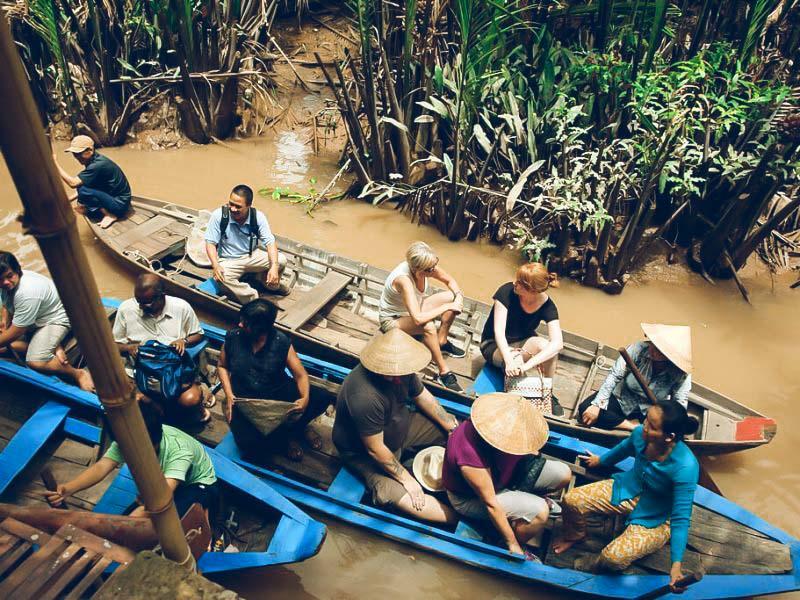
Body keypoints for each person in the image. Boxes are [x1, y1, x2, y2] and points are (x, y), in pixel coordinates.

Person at [552, 402, 700, 594]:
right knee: (572, 500)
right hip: (627, 489)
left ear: (669, 437)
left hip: (658, 517)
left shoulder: (686, 467)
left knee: (613, 558)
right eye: (646, 420)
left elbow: (681, 519)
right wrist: (600, 460)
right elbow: (623, 449)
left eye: (652, 426)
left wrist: (676, 565)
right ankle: (576, 534)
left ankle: (595, 562)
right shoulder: (640, 434)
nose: (643, 426)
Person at [332, 328, 459, 523]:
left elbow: (423, 396)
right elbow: (375, 449)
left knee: (456, 435)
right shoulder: (365, 395)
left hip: (400, 427)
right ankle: (457, 519)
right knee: (409, 499)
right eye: (392, 374)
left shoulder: (403, 369)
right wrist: (407, 480)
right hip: (364, 454)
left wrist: (450, 425)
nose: (399, 378)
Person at [442, 392, 571, 557]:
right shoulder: (469, 451)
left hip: (506, 477)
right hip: (471, 498)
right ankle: (508, 540)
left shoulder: (514, 435)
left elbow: (534, 451)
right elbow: (491, 503)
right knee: (540, 512)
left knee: (563, 473)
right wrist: (513, 544)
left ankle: (522, 502)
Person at [45, 400, 219, 520]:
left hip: (198, 484)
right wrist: (68, 489)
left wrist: (144, 507)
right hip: (162, 479)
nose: (125, 451)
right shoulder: (129, 439)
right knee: (133, 521)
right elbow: (102, 466)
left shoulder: (180, 451)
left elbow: (165, 492)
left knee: (161, 524)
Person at [218, 299, 329, 461]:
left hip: (276, 391)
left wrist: (304, 398)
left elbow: (300, 375)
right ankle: (285, 438)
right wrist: (228, 394)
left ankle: (293, 430)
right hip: (244, 399)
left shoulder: (280, 342)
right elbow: (222, 366)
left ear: (261, 329)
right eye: (242, 320)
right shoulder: (233, 338)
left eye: (246, 323)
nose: (240, 325)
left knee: (321, 397)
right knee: (247, 445)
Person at [112, 273, 210, 424]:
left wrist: (183, 340)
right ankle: (157, 409)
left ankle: (195, 399)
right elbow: (114, 345)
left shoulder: (181, 307)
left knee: (190, 401)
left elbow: (198, 334)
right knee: (130, 402)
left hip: (174, 372)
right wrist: (129, 347)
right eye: (139, 302)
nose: (142, 307)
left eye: (147, 303)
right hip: (140, 371)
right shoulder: (126, 309)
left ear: (161, 296)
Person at [378, 241, 465, 392]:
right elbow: (418, 319)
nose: (434, 271)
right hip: (393, 319)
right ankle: (443, 372)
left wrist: (458, 297)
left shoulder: (427, 266)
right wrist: (446, 307)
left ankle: (442, 341)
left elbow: (450, 281)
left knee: (450, 296)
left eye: (434, 267)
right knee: (428, 326)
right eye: (430, 269)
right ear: (417, 269)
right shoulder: (403, 279)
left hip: (414, 308)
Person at [0, 251, 93, 391]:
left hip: (57, 318)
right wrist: (4, 324)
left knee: (35, 361)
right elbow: (7, 305)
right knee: (4, 344)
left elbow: (18, 330)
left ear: (17, 270)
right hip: (38, 317)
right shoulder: (10, 284)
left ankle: (77, 374)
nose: (5, 282)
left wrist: (7, 333)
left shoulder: (26, 292)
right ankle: (55, 346)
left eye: (9, 276)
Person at [578, 323, 692, 431]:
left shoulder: (681, 374)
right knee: (586, 409)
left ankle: (623, 424)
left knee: (662, 431)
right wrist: (597, 405)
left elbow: (679, 403)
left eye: (661, 351)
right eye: (654, 345)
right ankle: (634, 427)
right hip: (621, 399)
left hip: (649, 410)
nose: (654, 351)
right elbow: (614, 376)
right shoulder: (638, 349)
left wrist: (675, 426)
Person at [204, 184, 288, 304]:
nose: (233, 209)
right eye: (231, 204)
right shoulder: (219, 216)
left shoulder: (258, 217)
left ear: (248, 206)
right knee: (222, 278)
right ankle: (253, 298)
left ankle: (270, 285)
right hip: (229, 260)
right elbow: (210, 243)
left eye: (238, 207)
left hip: (252, 255)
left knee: (281, 260)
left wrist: (274, 267)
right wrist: (216, 265)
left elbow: (270, 242)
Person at [480, 262, 563, 379]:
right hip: (493, 344)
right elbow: (499, 332)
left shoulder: (548, 305)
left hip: (523, 343)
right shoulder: (506, 292)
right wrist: (509, 360)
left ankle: (547, 390)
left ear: (532, 291)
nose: (514, 283)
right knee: (515, 358)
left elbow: (558, 343)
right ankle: (514, 390)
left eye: (520, 283)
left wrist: (527, 366)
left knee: (549, 350)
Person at [52, 135, 131, 229]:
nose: (76, 157)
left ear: (90, 150)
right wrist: (67, 201)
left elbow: (73, 183)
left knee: (81, 189)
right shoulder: (92, 160)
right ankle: (99, 209)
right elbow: (87, 184)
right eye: (74, 154)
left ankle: (110, 215)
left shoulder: (97, 165)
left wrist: (54, 164)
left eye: (78, 153)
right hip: (118, 199)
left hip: (120, 205)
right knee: (82, 187)